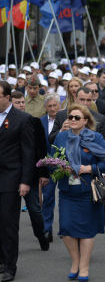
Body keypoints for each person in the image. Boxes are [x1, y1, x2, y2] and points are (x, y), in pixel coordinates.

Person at [52, 104, 105, 282]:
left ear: (85, 120)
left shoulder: (95, 137)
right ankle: (75, 262)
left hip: (87, 191)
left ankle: (84, 266)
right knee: (66, 228)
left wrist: (88, 168)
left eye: (76, 117)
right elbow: (52, 159)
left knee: (87, 230)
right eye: (70, 117)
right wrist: (59, 168)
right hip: (67, 190)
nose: (72, 120)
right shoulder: (61, 136)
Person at [0, 82, 35, 282]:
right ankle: (1, 260)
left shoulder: (23, 119)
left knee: (9, 223)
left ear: (7, 98)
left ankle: (10, 266)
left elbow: (28, 153)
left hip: (11, 178)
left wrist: (25, 181)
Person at [9, 92, 50, 251]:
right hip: (10, 173)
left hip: (30, 173)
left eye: (22, 102)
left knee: (34, 209)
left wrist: (44, 173)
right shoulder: (5, 122)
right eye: (17, 102)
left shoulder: (33, 121)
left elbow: (41, 148)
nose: (21, 105)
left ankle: (41, 235)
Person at [40, 93, 61, 240]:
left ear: (59, 105)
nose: (53, 108)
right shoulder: (39, 122)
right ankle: (47, 229)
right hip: (47, 166)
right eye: (50, 106)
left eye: (55, 105)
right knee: (47, 198)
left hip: (65, 166)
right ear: (45, 107)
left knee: (66, 198)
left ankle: (66, 228)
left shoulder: (68, 119)